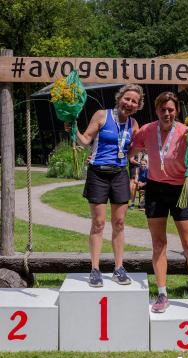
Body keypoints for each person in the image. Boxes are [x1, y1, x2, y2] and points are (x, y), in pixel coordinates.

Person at [130, 91, 188, 316]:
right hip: (155, 189)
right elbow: (130, 150)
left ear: (177, 111)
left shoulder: (187, 132)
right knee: (159, 244)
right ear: (156, 111)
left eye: (171, 110)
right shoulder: (146, 130)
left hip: (181, 190)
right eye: (163, 110)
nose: (167, 113)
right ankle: (162, 294)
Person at [65, 84, 144, 287]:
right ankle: (95, 269)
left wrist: (133, 160)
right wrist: (74, 130)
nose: (129, 103)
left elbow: (135, 149)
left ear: (138, 106)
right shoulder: (102, 115)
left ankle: (119, 268)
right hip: (98, 174)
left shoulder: (134, 124)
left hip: (119, 174)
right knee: (98, 223)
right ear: (119, 98)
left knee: (119, 223)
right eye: (127, 99)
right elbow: (85, 140)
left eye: (134, 101)